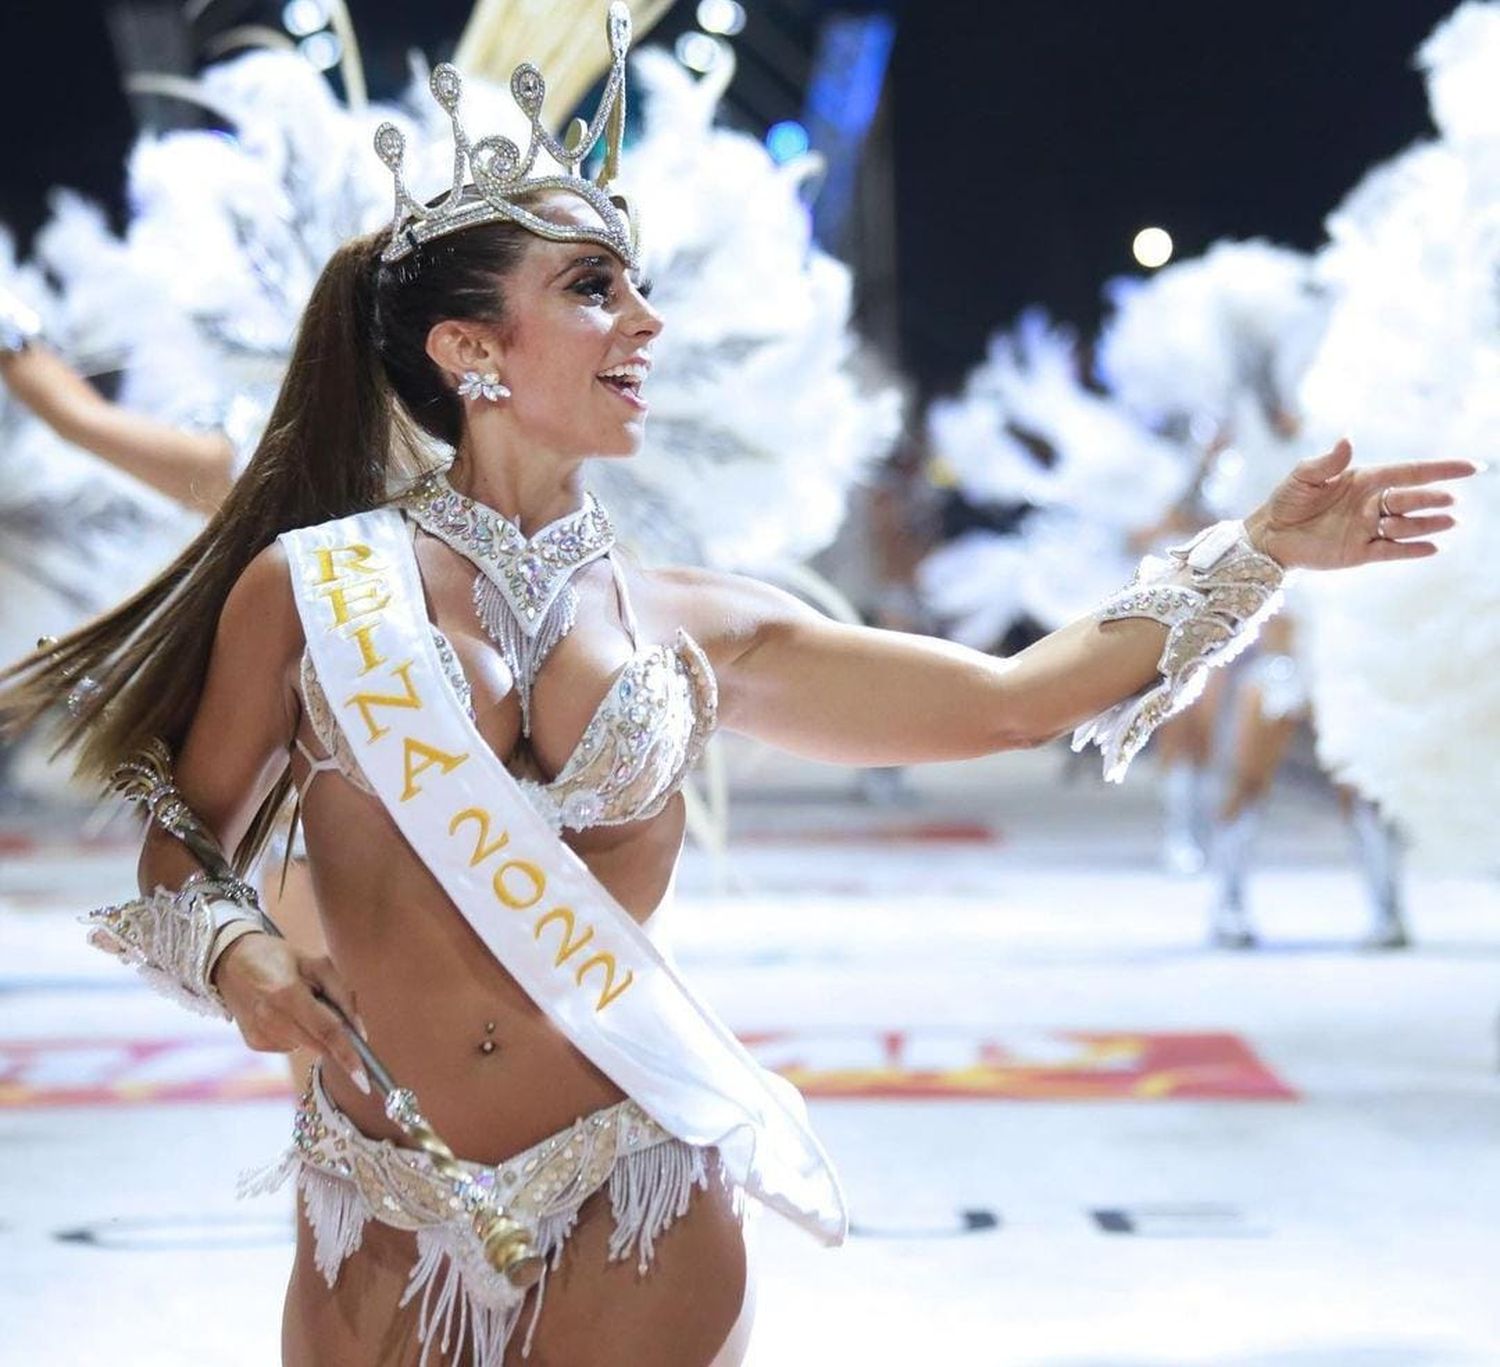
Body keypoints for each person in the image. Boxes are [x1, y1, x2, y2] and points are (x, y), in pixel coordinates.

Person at [0, 9, 1473, 1364]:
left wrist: (1257, 552)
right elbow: (178, 841)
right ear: (470, 350)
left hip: (635, 1184)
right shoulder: (314, 591)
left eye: (642, 287)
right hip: (379, 1197)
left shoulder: (699, 625)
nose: (647, 322)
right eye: (594, 290)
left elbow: (1018, 695)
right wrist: (236, 958)